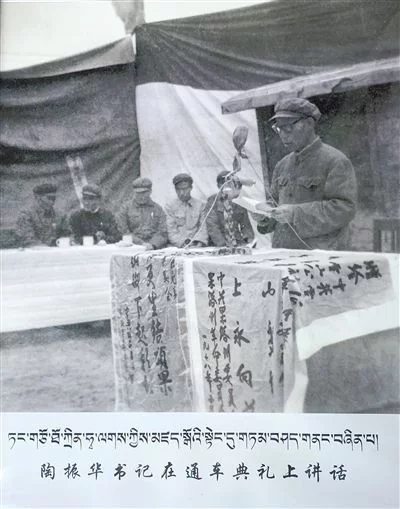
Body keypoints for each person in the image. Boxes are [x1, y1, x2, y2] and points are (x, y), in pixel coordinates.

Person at [255, 98, 357, 250]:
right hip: (284, 252)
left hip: (321, 255)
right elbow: (275, 206)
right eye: (278, 128)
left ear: (309, 123)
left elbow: (344, 209)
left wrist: (296, 213)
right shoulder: (282, 165)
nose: (283, 135)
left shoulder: (336, 161)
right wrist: (264, 216)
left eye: (288, 127)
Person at [205, 170, 254, 247]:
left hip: (238, 242)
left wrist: (249, 241)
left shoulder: (238, 200)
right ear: (218, 186)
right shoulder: (212, 200)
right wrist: (223, 245)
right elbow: (212, 226)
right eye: (223, 184)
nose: (227, 186)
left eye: (230, 184)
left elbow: (246, 224)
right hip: (218, 244)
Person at [118, 177, 168, 250]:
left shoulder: (158, 209)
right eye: (138, 193)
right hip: (132, 246)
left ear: (150, 192)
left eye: (144, 193)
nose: (141, 197)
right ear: (134, 192)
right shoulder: (125, 208)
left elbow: (162, 232)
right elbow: (124, 231)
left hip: (154, 248)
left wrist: (152, 244)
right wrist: (141, 244)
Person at [16, 183, 70, 247]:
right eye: (49, 198)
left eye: (54, 198)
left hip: (57, 250)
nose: (52, 202)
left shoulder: (60, 215)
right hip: (34, 250)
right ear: (38, 198)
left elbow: (67, 234)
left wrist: (67, 241)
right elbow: (27, 238)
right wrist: (45, 249)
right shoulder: (26, 215)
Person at [165, 173, 208, 248]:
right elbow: (170, 230)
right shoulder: (170, 206)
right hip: (177, 245)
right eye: (178, 189)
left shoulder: (200, 205)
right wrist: (183, 243)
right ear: (175, 190)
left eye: (185, 189)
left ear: (191, 188)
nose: (182, 192)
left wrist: (199, 243)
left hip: (197, 244)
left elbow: (203, 228)